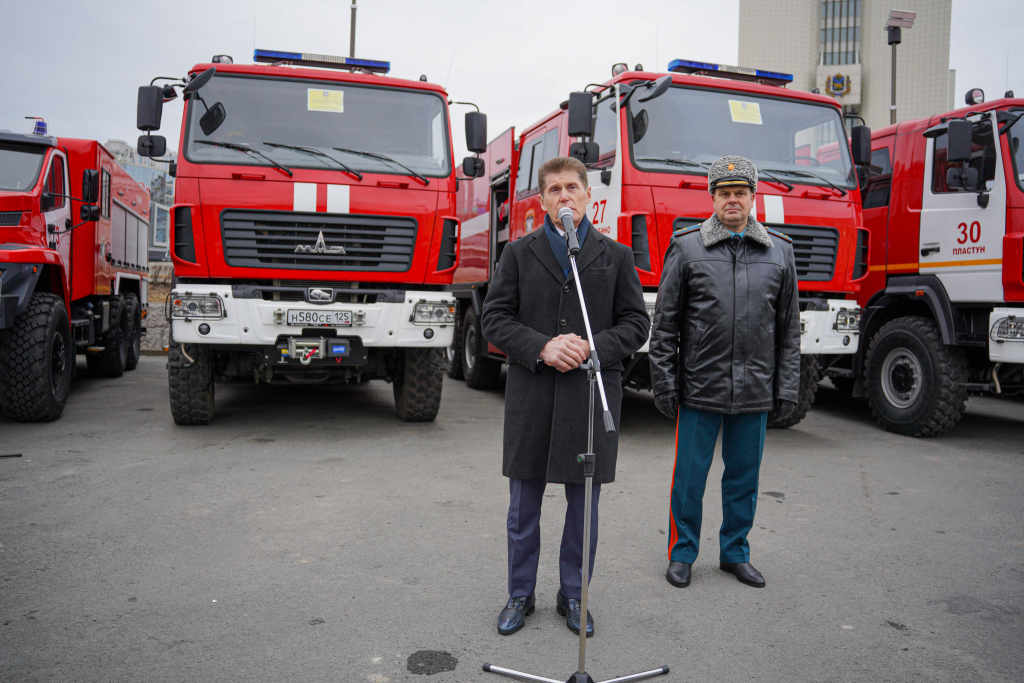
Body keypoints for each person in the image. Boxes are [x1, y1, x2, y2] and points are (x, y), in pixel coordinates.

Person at [481, 156, 649, 636]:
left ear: (588, 195)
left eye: (572, 187)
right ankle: (520, 593)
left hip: (589, 399)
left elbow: (637, 323)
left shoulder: (614, 256)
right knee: (523, 508)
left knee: (584, 509)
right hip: (532, 397)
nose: (564, 197)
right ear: (542, 201)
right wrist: (542, 346)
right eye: (554, 190)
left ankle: (574, 594)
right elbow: (495, 319)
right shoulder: (517, 253)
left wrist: (592, 349)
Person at [648, 155, 800, 589]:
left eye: (740, 192)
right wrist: (664, 382)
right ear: (712, 198)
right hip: (700, 388)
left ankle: (735, 553)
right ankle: (682, 554)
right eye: (724, 193)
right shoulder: (687, 247)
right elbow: (666, 325)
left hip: (754, 390)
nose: (732, 200)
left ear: (753, 198)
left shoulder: (780, 251)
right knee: (689, 480)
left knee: (744, 479)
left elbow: (788, 331)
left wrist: (786, 386)